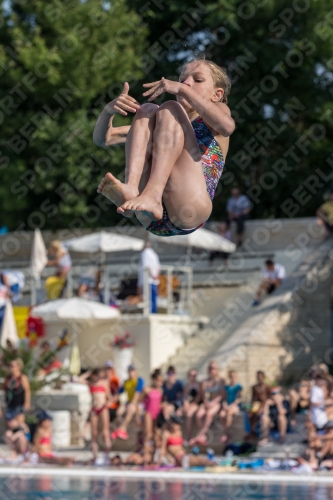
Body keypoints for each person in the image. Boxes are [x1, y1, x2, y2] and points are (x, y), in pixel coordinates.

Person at [96, 57, 234, 237]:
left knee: (169, 108)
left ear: (216, 95)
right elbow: (104, 139)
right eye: (182, 80)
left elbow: (227, 127)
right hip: (151, 217)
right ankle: (131, 188)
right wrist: (108, 111)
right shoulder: (163, 127)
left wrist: (183, 90)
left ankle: (152, 194)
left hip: (189, 206)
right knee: (147, 110)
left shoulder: (218, 110)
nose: (186, 83)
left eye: (197, 80)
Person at [190, 361, 225, 446]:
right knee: (198, 415)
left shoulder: (220, 380)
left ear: (217, 369)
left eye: (213, 368)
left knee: (209, 414)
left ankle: (200, 435)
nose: (212, 370)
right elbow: (203, 395)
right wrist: (206, 402)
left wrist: (213, 403)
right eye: (210, 368)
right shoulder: (204, 381)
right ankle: (204, 435)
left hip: (216, 403)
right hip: (207, 403)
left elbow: (221, 394)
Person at [80, 368, 111, 463]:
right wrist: (88, 374)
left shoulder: (104, 383)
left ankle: (107, 455)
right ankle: (95, 456)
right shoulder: (90, 384)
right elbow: (79, 380)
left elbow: (109, 397)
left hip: (102, 408)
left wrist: (106, 404)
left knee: (105, 433)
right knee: (94, 434)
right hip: (94, 409)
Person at [111, 364, 145, 441]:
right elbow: (118, 393)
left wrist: (132, 403)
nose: (131, 373)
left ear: (135, 371)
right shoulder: (126, 382)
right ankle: (123, 431)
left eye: (132, 371)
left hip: (138, 402)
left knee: (130, 409)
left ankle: (122, 429)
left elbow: (137, 393)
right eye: (130, 371)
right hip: (129, 402)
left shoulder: (139, 380)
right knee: (119, 411)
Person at [142, 370, 163, 464]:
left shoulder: (161, 390)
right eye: (158, 380)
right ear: (153, 380)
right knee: (148, 436)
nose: (159, 382)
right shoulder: (147, 389)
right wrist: (139, 416)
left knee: (157, 437)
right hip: (149, 413)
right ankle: (146, 457)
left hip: (157, 414)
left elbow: (161, 403)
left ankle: (155, 458)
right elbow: (140, 402)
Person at [3, 358, 31, 425]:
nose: (11, 368)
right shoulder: (8, 378)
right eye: (10, 366)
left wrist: (27, 403)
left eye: (13, 366)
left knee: (19, 424)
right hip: (10, 404)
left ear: (18, 367)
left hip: (19, 404)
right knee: (10, 423)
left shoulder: (22, 377)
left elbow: (27, 390)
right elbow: (4, 389)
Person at [219, 370, 242, 443]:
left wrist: (230, 406)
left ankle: (225, 434)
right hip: (228, 406)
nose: (233, 378)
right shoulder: (227, 387)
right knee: (221, 414)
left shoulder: (238, 387)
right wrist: (225, 405)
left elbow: (238, 399)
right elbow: (224, 398)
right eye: (231, 376)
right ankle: (227, 432)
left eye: (234, 376)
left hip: (235, 406)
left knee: (229, 413)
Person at [137, 242, 160, 313]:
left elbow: (147, 266)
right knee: (154, 299)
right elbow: (158, 267)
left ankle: (149, 313)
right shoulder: (154, 254)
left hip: (148, 280)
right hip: (154, 281)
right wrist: (156, 276)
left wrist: (152, 275)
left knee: (148, 298)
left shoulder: (144, 253)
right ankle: (154, 312)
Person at [247, 370, 271, 438]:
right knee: (250, 414)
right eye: (258, 376)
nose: (259, 378)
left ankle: (257, 431)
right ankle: (252, 431)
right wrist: (251, 405)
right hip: (257, 403)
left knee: (258, 413)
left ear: (263, 377)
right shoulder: (254, 387)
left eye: (260, 376)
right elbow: (253, 397)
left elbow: (269, 396)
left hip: (264, 403)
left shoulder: (266, 386)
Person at [182, 369, 202, 443]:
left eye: (194, 375)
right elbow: (186, 397)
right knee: (183, 412)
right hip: (191, 404)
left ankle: (188, 436)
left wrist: (191, 405)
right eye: (191, 375)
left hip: (197, 404)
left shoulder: (199, 384)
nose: (192, 377)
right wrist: (186, 405)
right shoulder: (187, 386)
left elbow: (199, 396)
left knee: (189, 414)